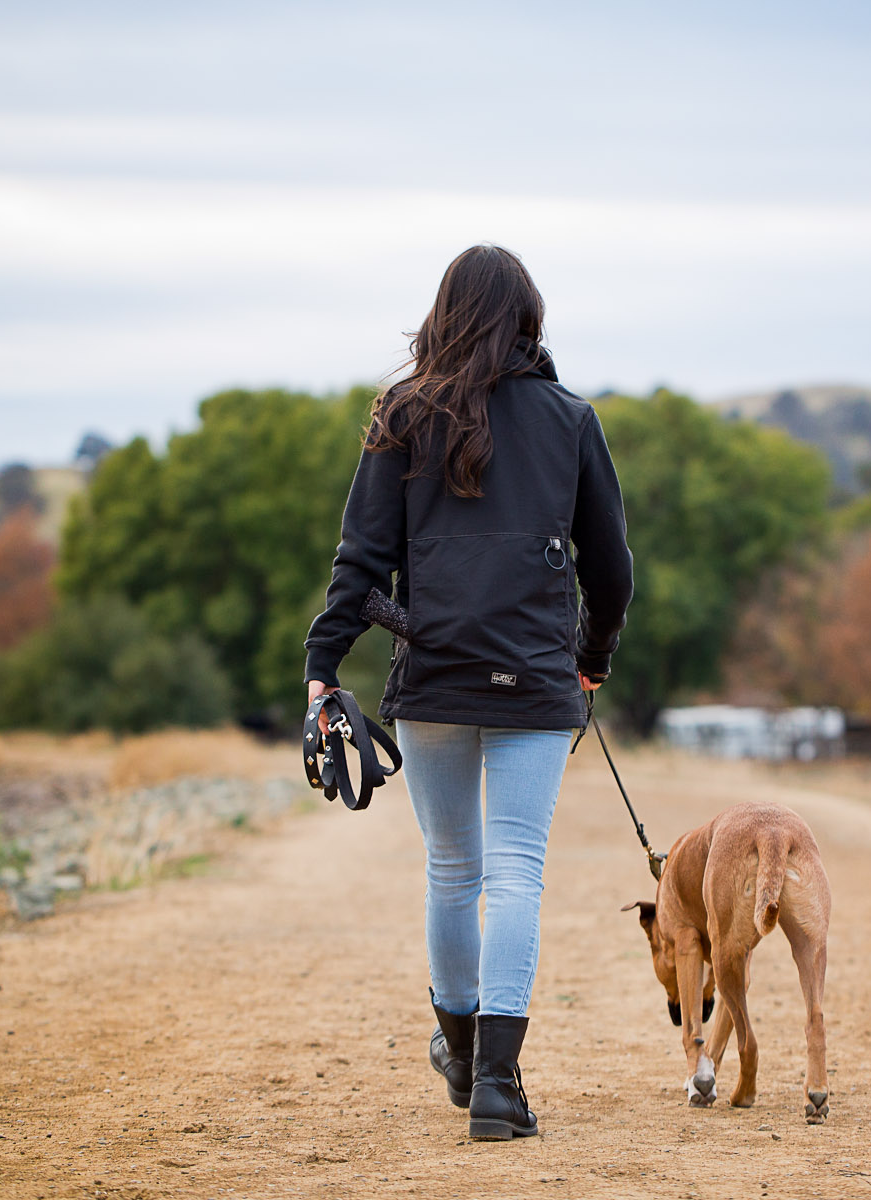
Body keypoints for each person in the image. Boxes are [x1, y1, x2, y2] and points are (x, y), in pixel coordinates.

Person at [303, 244, 634, 1141]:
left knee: (453, 870)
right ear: (529, 315)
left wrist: (322, 665)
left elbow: (360, 559)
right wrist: (590, 655)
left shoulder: (402, 415)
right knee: (516, 871)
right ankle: (497, 1084)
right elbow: (612, 568)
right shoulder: (570, 417)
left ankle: (460, 1056)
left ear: (443, 313)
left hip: (436, 673)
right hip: (533, 674)